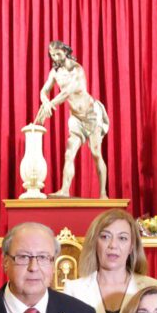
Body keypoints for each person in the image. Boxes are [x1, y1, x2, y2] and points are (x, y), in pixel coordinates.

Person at [63, 209, 157, 313]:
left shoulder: (152, 288)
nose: (113, 245)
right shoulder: (74, 290)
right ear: (95, 242)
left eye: (122, 238)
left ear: (132, 246)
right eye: (105, 237)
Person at [34, 40, 110, 199]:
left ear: (66, 52)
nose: (55, 57)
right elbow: (44, 90)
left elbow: (67, 92)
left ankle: (103, 193)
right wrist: (45, 101)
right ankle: (64, 190)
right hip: (75, 117)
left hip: (91, 115)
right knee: (69, 153)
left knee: (96, 154)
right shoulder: (54, 72)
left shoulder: (77, 69)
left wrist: (51, 104)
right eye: (52, 55)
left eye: (58, 54)